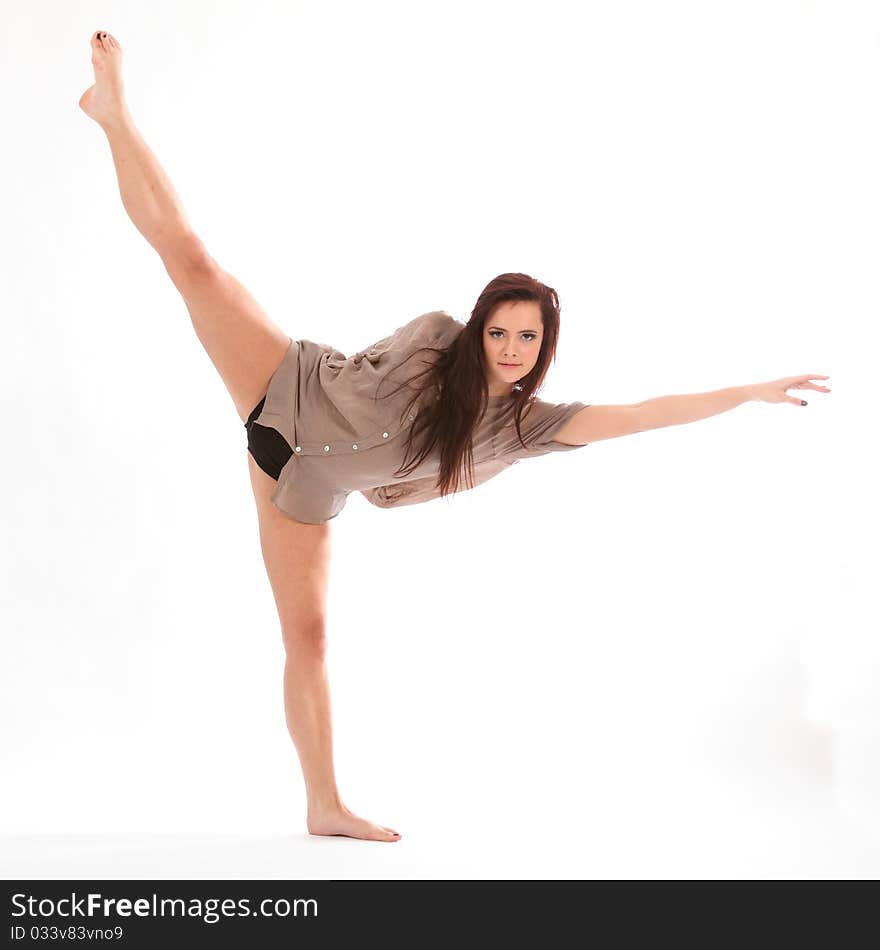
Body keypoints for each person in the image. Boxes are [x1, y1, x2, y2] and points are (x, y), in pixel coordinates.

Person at [79, 30, 831, 842]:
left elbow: (646, 412)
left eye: (529, 339)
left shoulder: (526, 428)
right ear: (480, 327)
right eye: (501, 331)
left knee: (310, 640)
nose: (511, 349)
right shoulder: (438, 338)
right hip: (285, 387)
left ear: (545, 349)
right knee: (194, 261)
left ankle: (324, 804)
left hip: (300, 488)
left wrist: (747, 392)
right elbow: (359, 372)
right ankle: (115, 115)